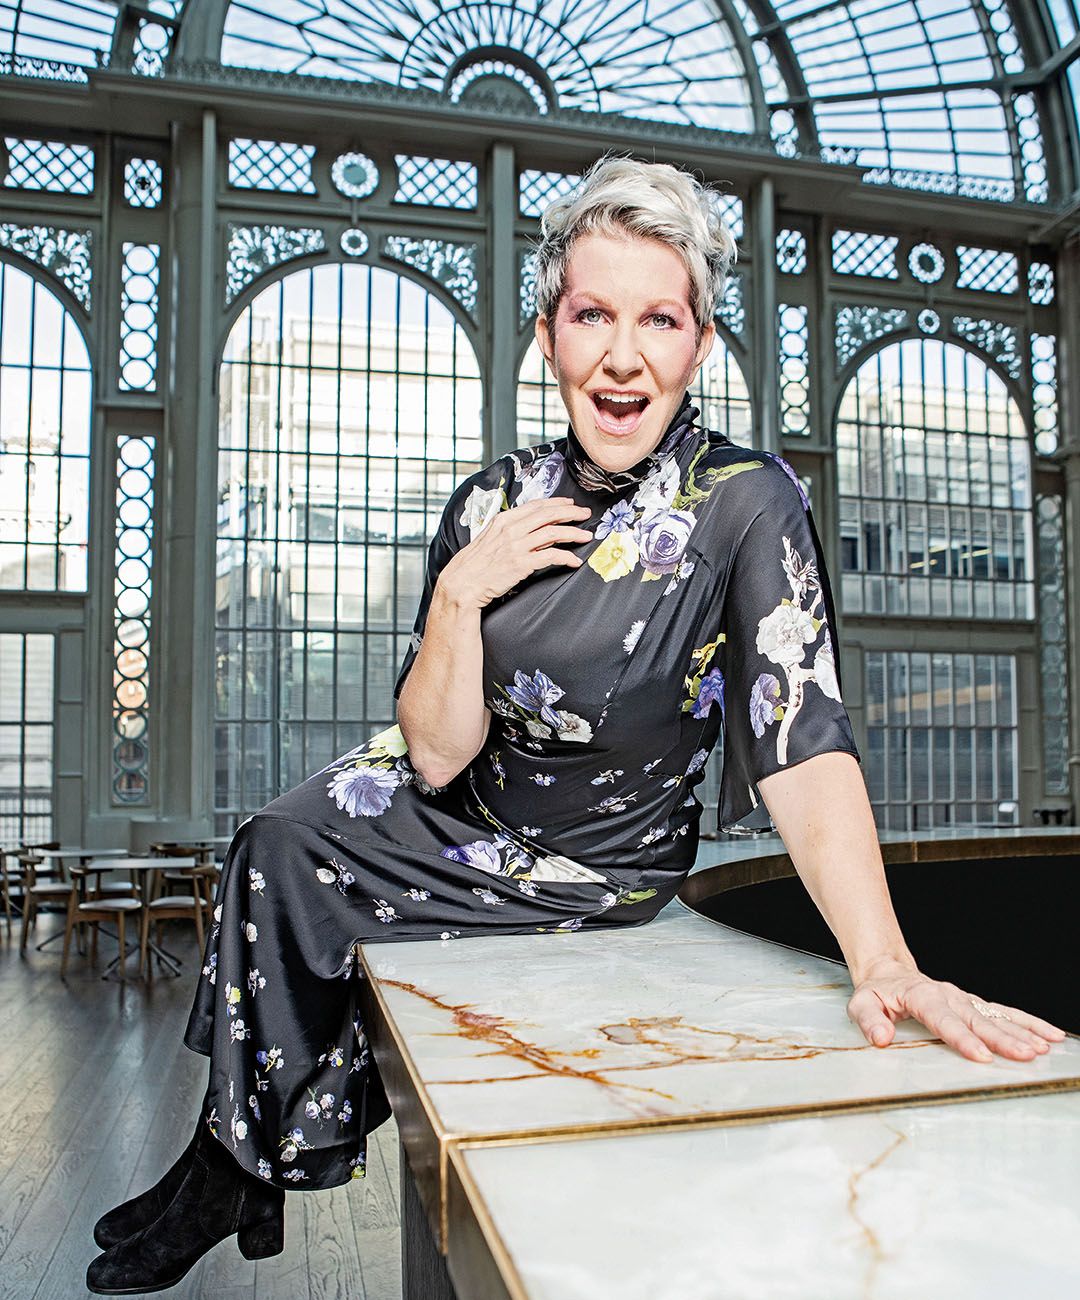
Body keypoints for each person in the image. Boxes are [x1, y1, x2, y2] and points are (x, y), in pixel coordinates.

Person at [86, 156, 1066, 1294]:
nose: (622, 353)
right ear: (550, 335)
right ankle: (234, 1160)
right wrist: (461, 591)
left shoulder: (747, 502)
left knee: (292, 854)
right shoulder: (491, 501)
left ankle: (232, 1162)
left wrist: (889, 962)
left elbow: (800, 737)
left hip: (587, 872)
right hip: (453, 811)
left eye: (660, 318)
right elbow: (438, 748)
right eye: (593, 314)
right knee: (271, 841)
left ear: (699, 344)